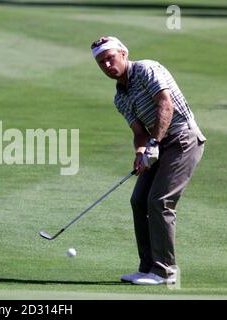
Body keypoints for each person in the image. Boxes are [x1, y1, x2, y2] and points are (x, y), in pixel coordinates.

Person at [91, 36, 206, 285]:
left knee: (160, 201)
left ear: (123, 53)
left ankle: (165, 272)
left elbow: (166, 106)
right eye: (102, 63)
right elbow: (139, 133)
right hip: (158, 145)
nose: (107, 65)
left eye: (110, 58)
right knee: (139, 201)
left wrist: (152, 145)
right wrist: (140, 152)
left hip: (183, 140)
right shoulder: (119, 98)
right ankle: (148, 268)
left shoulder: (146, 69)